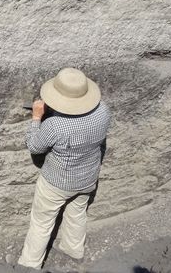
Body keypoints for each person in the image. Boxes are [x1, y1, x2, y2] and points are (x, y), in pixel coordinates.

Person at [17, 67, 111, 269]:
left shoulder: (55, 125)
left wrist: (36, 118)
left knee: (42, 222)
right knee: (77, 214)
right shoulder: (103, 110)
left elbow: (35, 146)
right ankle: (74, 249)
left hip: (57, 182)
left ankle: (30, 263)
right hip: (88, 177)